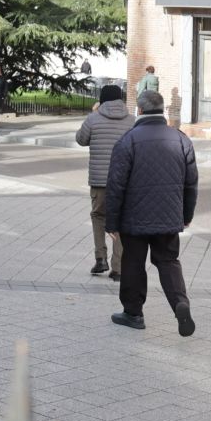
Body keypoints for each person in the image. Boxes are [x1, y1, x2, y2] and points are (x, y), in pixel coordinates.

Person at [101, 89, 198, 336]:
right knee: (168, 261)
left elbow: (116, 186)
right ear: (163, 110)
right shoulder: (181, 139)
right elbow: (191, 183)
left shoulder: (128, 141)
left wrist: (111, 222)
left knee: (133, 261)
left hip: (134, 218)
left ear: (140, 110)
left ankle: (133, 313)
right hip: (168, 217)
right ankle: (180, 303)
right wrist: (186, 216)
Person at [75, 83, 134, 278]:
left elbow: (81, 139)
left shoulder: (93, 118)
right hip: (125, 181)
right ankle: (118, 268)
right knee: (122, 221)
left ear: (102, 99)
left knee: (99, 216)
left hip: (100, 180)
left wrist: (93, 113)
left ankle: (100, 258)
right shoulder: (132, 121)